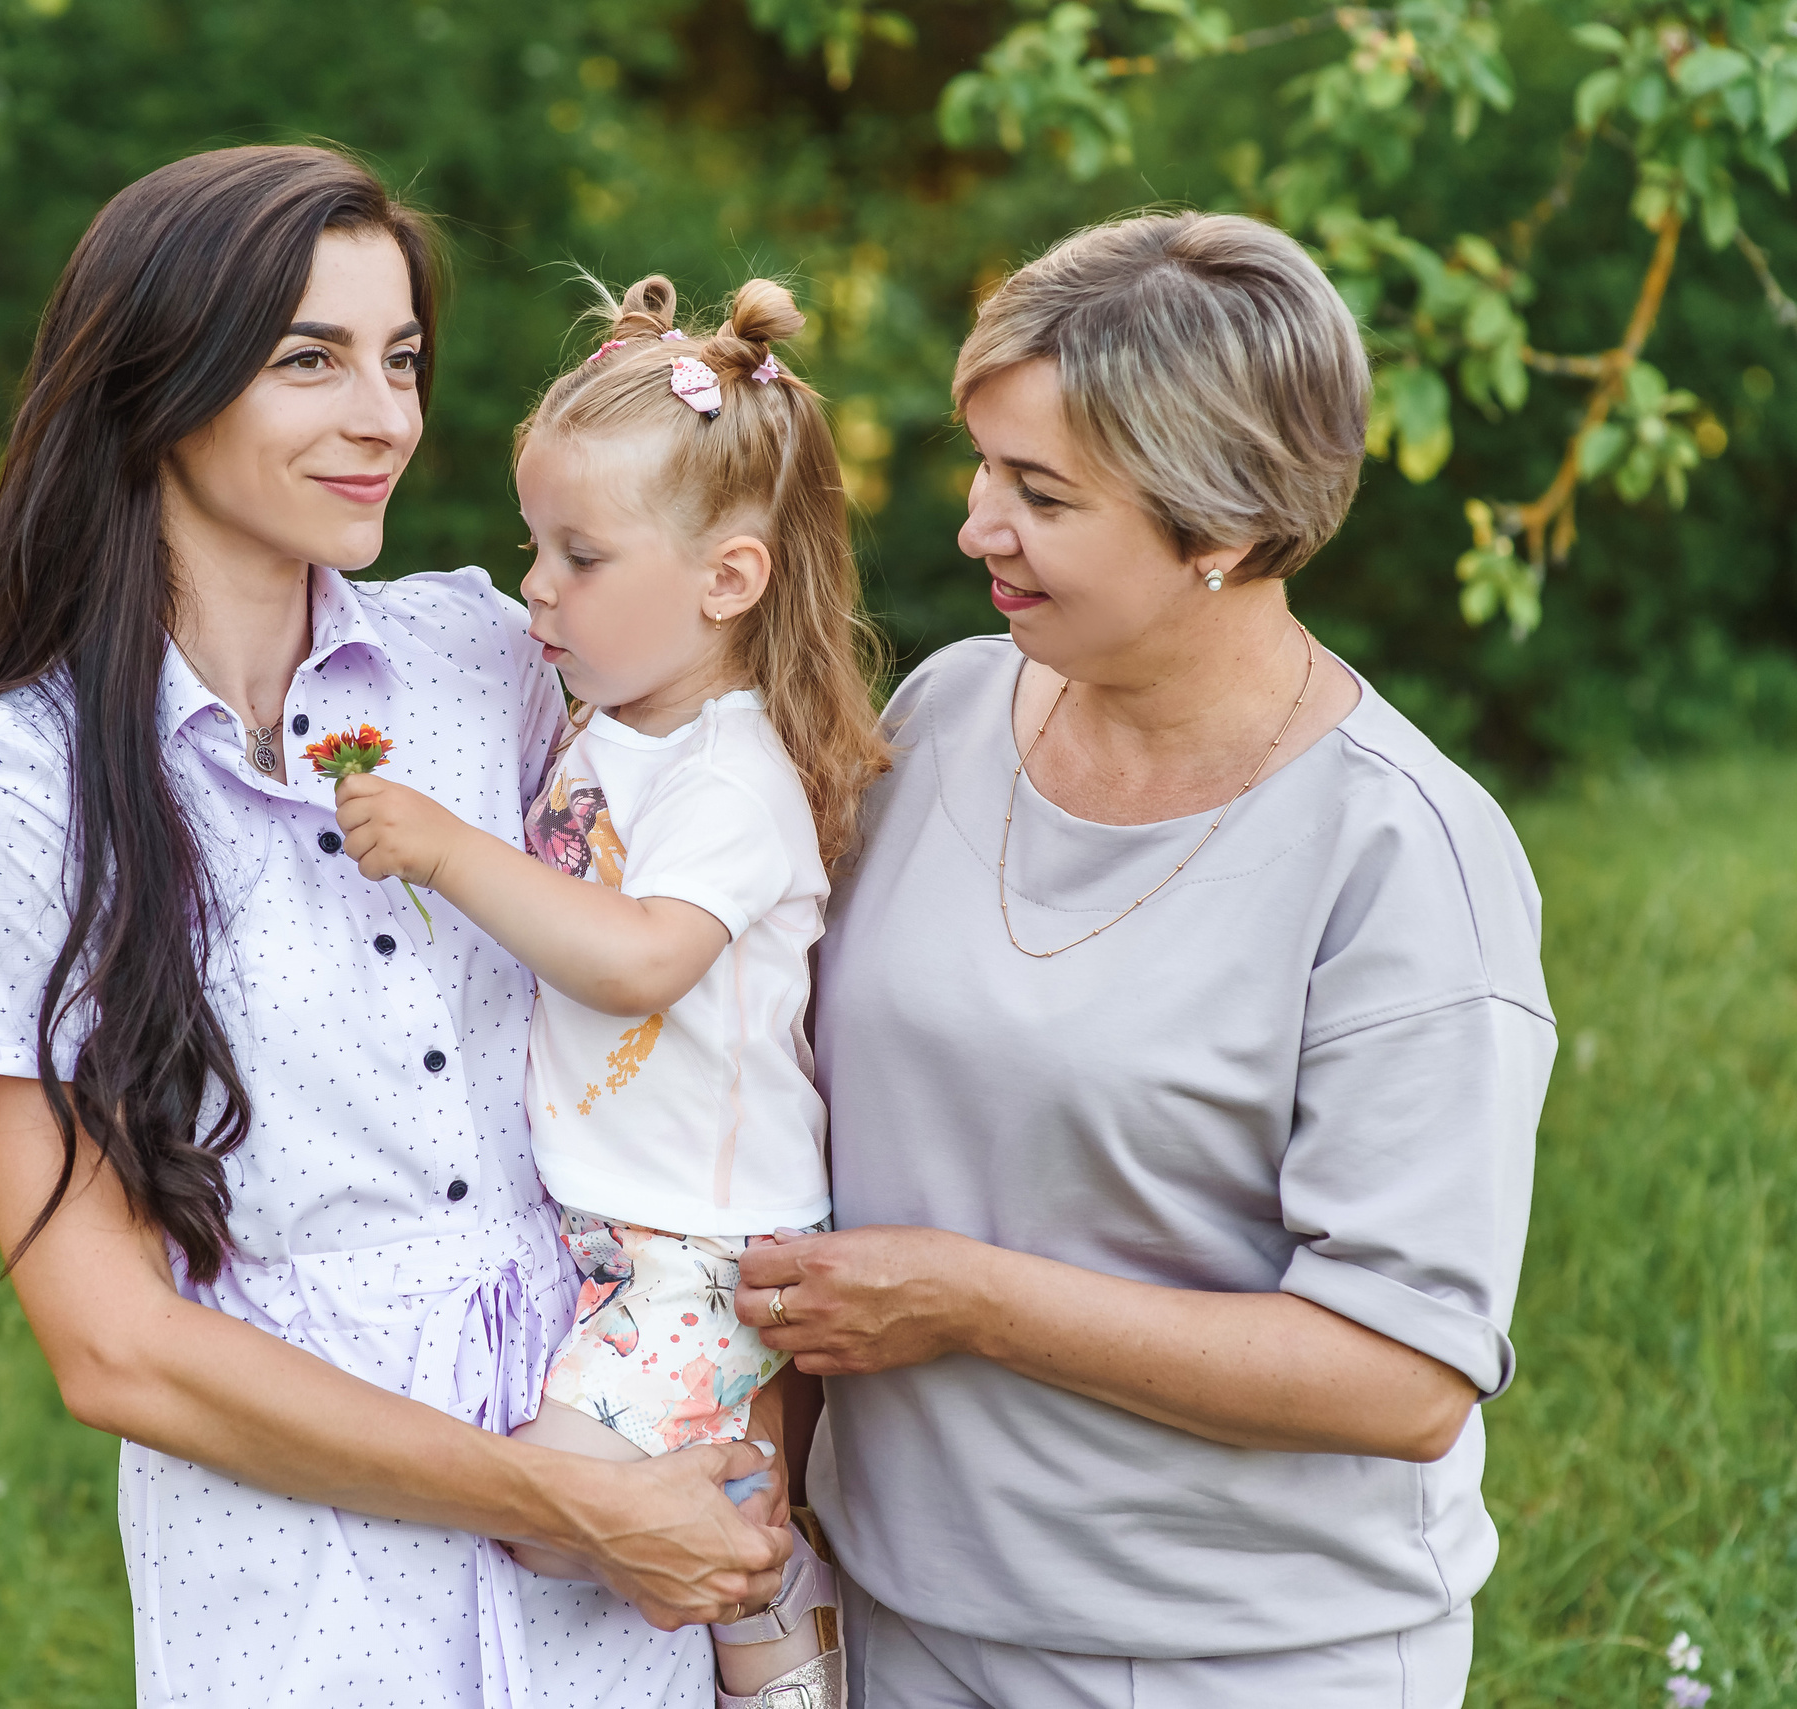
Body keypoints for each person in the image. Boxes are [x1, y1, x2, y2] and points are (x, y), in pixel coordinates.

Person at [0, 145, 786, 1709]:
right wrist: (564, 1503)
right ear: (161, 381)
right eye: (312, 361)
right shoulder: (20, 778)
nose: (386, 418)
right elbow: (114, 1346)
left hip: (628, 1528)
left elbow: (751, 894)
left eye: (404, 360)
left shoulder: (493, 655)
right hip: (311, 1596)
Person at [737, 210, 1555, 1708]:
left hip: (1236, 1657)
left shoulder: (1402, 856)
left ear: (1225, 527)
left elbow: (1403, 1376)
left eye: (1041, 492)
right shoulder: (943, 714)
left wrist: (967, 1297)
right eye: (985, 464)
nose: (978, 523)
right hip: (897, 1612)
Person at [328, 273, 887, 1708]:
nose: (535, 587)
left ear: (729, 580)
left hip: (703, 1242)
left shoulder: (732, 775)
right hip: (601, 1224)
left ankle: (779, 1591)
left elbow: (643, 954)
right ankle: (757, 1551)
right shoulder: (606, 727)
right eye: (534, 546)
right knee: (561, 1499)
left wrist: (448, 852)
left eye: (581, 555)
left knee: (539, 1513)